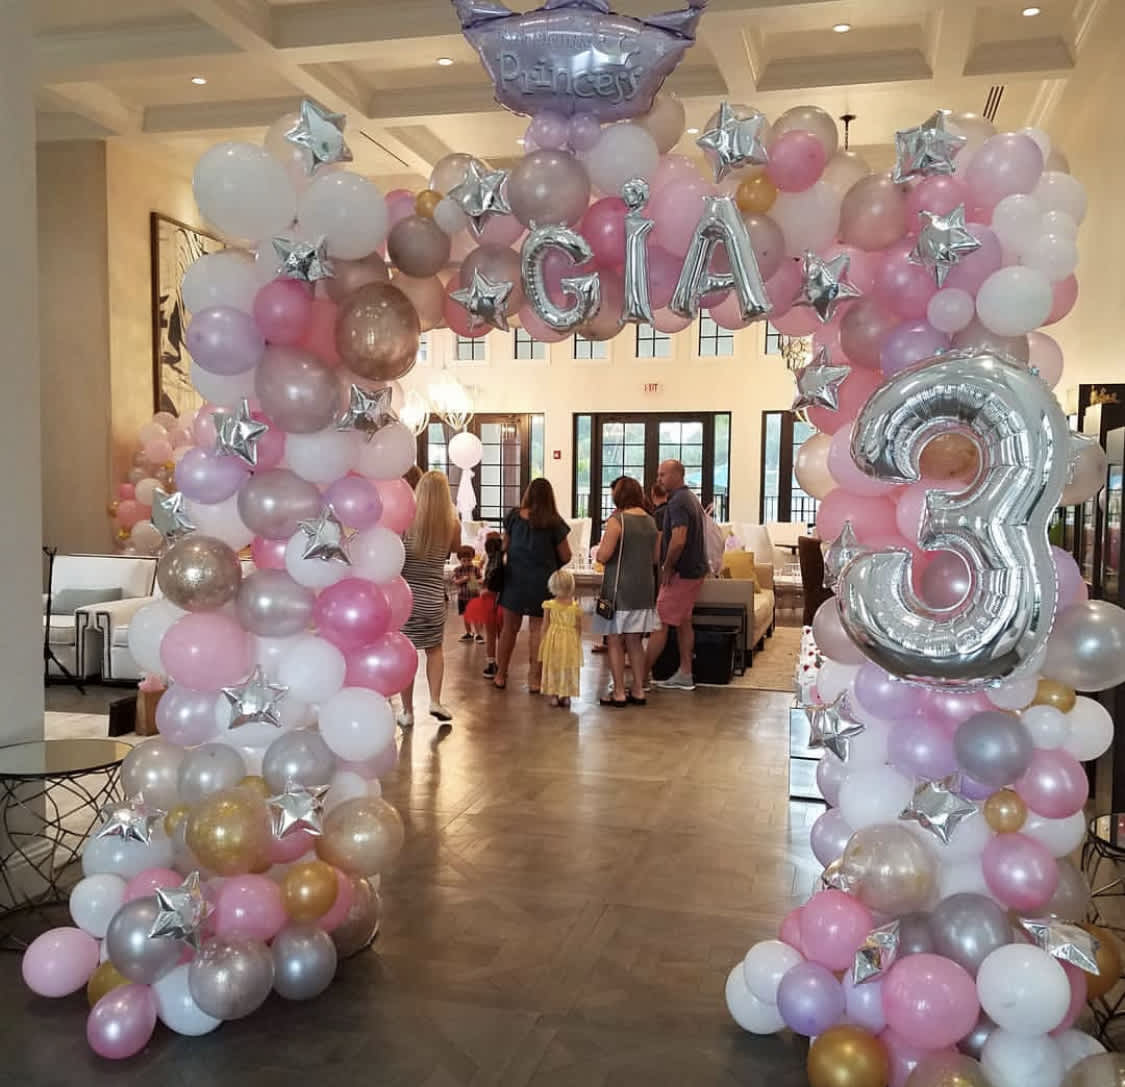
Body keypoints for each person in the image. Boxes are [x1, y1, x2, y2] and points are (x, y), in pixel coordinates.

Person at [494, 478, 572, 691]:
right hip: (543, 581)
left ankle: (501, 674)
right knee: (538, 630)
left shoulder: (514, 517)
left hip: (514, 579)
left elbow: (504, 547)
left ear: (528, 494)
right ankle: (535, 679)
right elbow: (566, 555)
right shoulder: (554, 522)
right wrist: (550, 562)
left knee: (509, 629)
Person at [398, 470, 461, 728]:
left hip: (407, 600)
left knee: (406, 654)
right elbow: (456, 549)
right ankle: (435, 700)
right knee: (435, 650)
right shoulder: (452, 524)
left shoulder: (405, 521)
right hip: (434, 599)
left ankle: (407, 712)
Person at [592, 475, 659, 707]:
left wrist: (600, 552)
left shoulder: (617, 520)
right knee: (635, 641)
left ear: (618, 495)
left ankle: (619, 691)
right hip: (644, 589)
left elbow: (604, 555)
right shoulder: (651, 521)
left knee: (614, 640)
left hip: (619, 589)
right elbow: (655, 557)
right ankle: (638, 689)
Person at [645, 459, 708, 692]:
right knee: (683, 621)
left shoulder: (678, 502)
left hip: (682, 572)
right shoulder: (689, 498)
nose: (659, 479)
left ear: (677, 475)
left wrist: (667, 567)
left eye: (663, 474)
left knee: (659, 621)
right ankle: (685, 672)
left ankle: (640, 678)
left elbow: (678, 539)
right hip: (694, 570)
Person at [539, 568, 583, 708]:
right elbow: (578, 626)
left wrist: (543, 639)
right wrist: (577, 640)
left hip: (553, 640)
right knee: (568, 667)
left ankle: (554, 695)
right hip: (570, 641)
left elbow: (545, 625)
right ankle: (566, 696)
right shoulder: (575, 606)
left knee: (553, 666)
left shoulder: (549, 605)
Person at [466, 532, 503, 676]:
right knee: (503, 635)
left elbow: (488, 584)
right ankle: (502, 665)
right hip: (504, 601)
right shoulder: (505, 560)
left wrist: (476, 584)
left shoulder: (492, 563)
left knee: (491, 635)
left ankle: (491, 663)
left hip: (489, 601)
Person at [451, 545, 484, 642]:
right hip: (462, 597)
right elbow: (455, 582)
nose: (466, 562)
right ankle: (469, 633)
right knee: (465, 616)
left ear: (472, 558)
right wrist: (464, 579)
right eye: (464, 560)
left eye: (469, 560)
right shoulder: (457, 570)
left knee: (475, 616)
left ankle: (478, 634)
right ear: (460, 560)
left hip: (474, 597)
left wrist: (475, 581)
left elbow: (481, 580)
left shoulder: (475, 569)